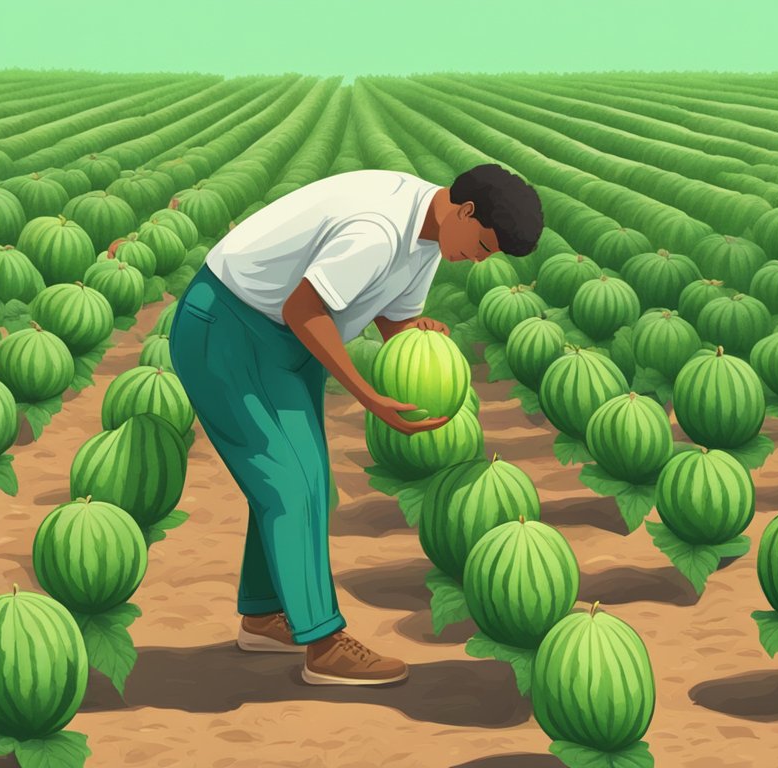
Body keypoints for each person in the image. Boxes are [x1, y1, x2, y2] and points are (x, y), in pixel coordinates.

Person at [168, 164, 543, 685]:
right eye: (482, 244)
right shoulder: (380, 228)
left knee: (305, 481)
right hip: (233, 326)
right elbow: (305, 308)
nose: (478, 258)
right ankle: (323, 643)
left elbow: (393, 316)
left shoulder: (431, 238)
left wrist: (416, 337)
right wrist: (369, 397)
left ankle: (263, 615)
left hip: (285, 339)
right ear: (465, 209)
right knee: (292, 486)